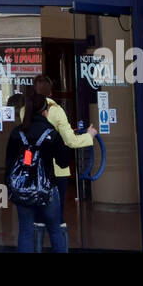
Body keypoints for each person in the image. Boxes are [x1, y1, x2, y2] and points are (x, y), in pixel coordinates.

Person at [6, 91, 97, 252]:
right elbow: (62, 163)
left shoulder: (17, 133)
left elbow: (9, 163)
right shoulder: (51, 134)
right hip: (47, 189)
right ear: (45, 112)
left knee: (25, 232)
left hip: (23, 189)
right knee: (55, 229)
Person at [30, 73, 96, 220]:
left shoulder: (25, 110)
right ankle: (58, 240)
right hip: (56, 170)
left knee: (36, 213)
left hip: (34, 168)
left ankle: (38, 239)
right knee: (56, 214)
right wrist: (89, 135)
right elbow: (71, 141)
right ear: (50, 92)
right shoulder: (56, 110)